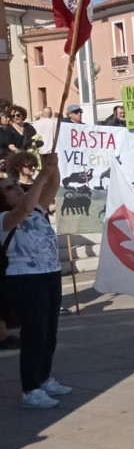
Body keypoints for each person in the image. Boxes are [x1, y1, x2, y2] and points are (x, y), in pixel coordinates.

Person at [1, 153, 68, 408]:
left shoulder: (37, 209)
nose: (16, 187)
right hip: (25, 278)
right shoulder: (5, 218)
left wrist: (53, 167)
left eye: (15, 184)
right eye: (9, 188)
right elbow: (25, 207)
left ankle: (44, 378)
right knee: (34, 333)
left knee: (50, 331)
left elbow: (51, 188)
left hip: (49, 273)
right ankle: (30, 389)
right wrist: (42, 174)